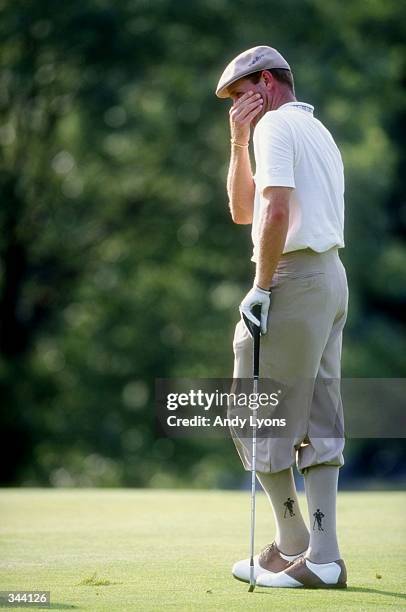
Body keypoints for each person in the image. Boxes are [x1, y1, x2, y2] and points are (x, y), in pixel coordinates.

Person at [215, 46, 348, 589]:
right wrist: (236, 143)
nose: (239, 109)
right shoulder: (317, 132)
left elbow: (272, 211)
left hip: (293, 278)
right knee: (319, 418)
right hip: (331, 279)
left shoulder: (276, 128)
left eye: (242, 97)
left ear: (265, 82)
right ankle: (321, 556)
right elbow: (243, 210)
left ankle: (298, 545)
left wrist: (260, 286)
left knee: (253, 410)